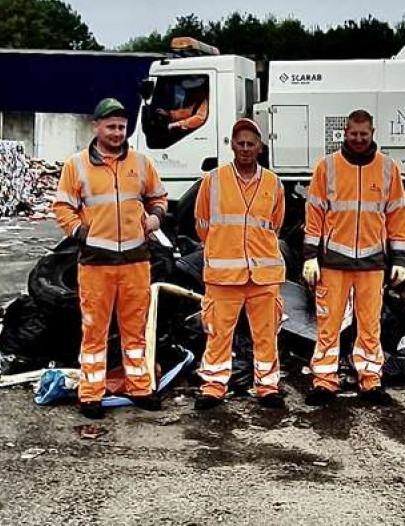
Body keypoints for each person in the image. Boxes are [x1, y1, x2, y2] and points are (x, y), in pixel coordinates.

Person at [53, 98, 168, 419]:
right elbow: (62, 206)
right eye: (111, 127)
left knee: (135, 330)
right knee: (95, 330)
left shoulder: (141, 164)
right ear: (97, 127)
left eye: (122, 126)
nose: (118, 133)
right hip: (95, 264)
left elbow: (159, 196)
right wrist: (80, 232)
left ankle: (139, 388)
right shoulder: (76, 166)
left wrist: (156, 217)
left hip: (135, 261)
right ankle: (91, 394)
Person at [302, 109, 405, 407]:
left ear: (372, 133)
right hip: (333, 261)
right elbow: (314, 214)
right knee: (329, 324)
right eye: (353, 134)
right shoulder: (327, 167)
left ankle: (371, 380)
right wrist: (310, 256)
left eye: (364, 134)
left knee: (370, 325)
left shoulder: (389, 168)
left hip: (373, 263)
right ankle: (324, 381)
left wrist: (400, 259)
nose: (359, 139)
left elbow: (397, 216)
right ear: (345, 133)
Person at [193, 118, 287, 410]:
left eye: (251, 144)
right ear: (232, 145)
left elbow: (276, 224)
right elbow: (202, 224)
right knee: (218, 335)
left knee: (266, 333)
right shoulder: (214, 180)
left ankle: (267, 386)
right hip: (224, 277)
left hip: (263, 274)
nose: (245, 148)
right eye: (240, 143)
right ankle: (213, 386)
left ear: (260, 147)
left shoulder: (274, 183)